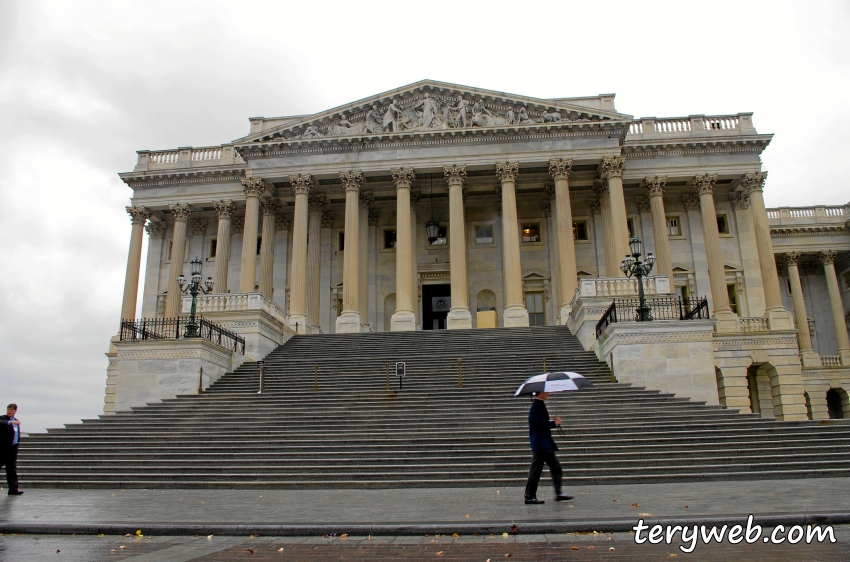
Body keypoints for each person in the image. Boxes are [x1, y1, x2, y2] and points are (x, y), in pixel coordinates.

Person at [524, 392, 571, 504]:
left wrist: (554, 423)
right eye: (546, 391)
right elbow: (541, 425)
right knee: (536, 470)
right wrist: (554, 423)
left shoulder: (539, 405)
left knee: (555, 467)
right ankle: (529, 496)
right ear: (541, 393)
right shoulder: (537, 407)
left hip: (544, 443)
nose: (548, 393)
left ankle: (558, 493)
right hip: (541, 444)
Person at [1, 403, 23, 495]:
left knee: (12, 469)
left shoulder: (16, 421)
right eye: (8, 409)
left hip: (12, 449)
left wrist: (16, 445)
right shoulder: (3, 418)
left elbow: (16, 435)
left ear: (15, 411)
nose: (9, 411)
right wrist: (10, 422)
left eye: (11, 409)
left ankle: (13, 489)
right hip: (2, 448)